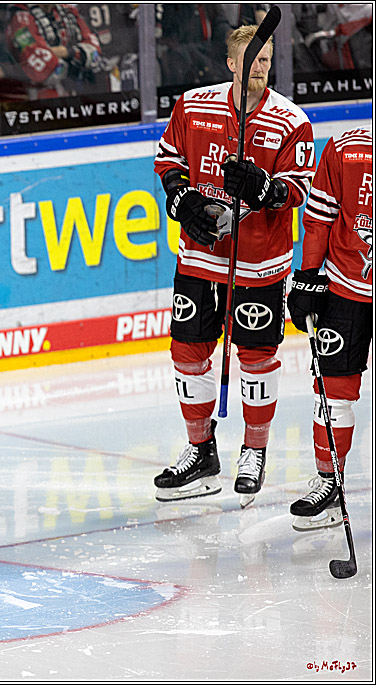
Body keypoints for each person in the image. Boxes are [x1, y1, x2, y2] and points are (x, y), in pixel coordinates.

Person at [152, 25, 315, 504]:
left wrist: (266, 189)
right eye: (249, 60)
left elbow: (299, 188)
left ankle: (254, 451)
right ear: (231, 64)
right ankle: (201, 452)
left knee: (256, 357)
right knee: (187, 351)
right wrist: (181, 200)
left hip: (260, 262)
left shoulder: (291, 121)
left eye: (264, 60)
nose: (258, 68)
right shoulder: (193, 105)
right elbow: (169, 161)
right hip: (199, 256)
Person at [286, 126, 372, 530]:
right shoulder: (346, 148)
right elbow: (319, 219)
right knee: (333, 392)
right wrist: (307, 277)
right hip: (345, 287)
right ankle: (329, 483)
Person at [6, 4, 103, 99]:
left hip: (76, 89)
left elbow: (94, 51)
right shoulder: (19, 16)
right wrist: (76, 56)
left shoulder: (69, 10)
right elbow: (35, 59)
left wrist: (68, 52)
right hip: (40, 93)